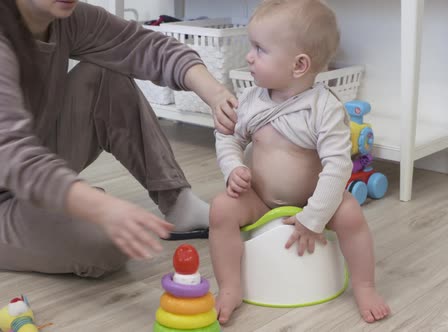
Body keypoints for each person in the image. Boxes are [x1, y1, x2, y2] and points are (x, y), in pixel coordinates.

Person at [0, 0, 238, 277]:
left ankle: (178, 203)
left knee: (104, 73)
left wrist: (216, 94)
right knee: (107, 244)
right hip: (11, 175)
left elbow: (142, 45)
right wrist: (96, 206)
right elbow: (11, 155)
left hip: (31, 166)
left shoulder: (65, 17)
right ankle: (58, 208)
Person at [209, 0, 391, 324]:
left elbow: (338, 166)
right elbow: (229, 136)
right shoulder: (252, 100)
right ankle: (230, 286)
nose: (249, 57)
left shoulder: (325, 109)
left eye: (259, 49)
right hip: (261, 198)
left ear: (299, 65)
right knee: (221, 209)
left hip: (315, 198)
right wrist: (234, 168)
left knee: (350, 215)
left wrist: (316, 215)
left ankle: (364, 286)